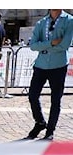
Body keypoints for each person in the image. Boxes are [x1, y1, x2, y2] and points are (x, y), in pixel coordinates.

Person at [24, 9, 73, 141]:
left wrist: (43, 46)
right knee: (33, 95)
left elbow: (64, 45)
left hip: (58, 66)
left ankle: (50, 130)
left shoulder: (69, 21)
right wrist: (51, 43)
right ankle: (40, 122)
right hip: (40, 65)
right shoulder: (41, 22)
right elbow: (33, 46)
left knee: (55, 100)